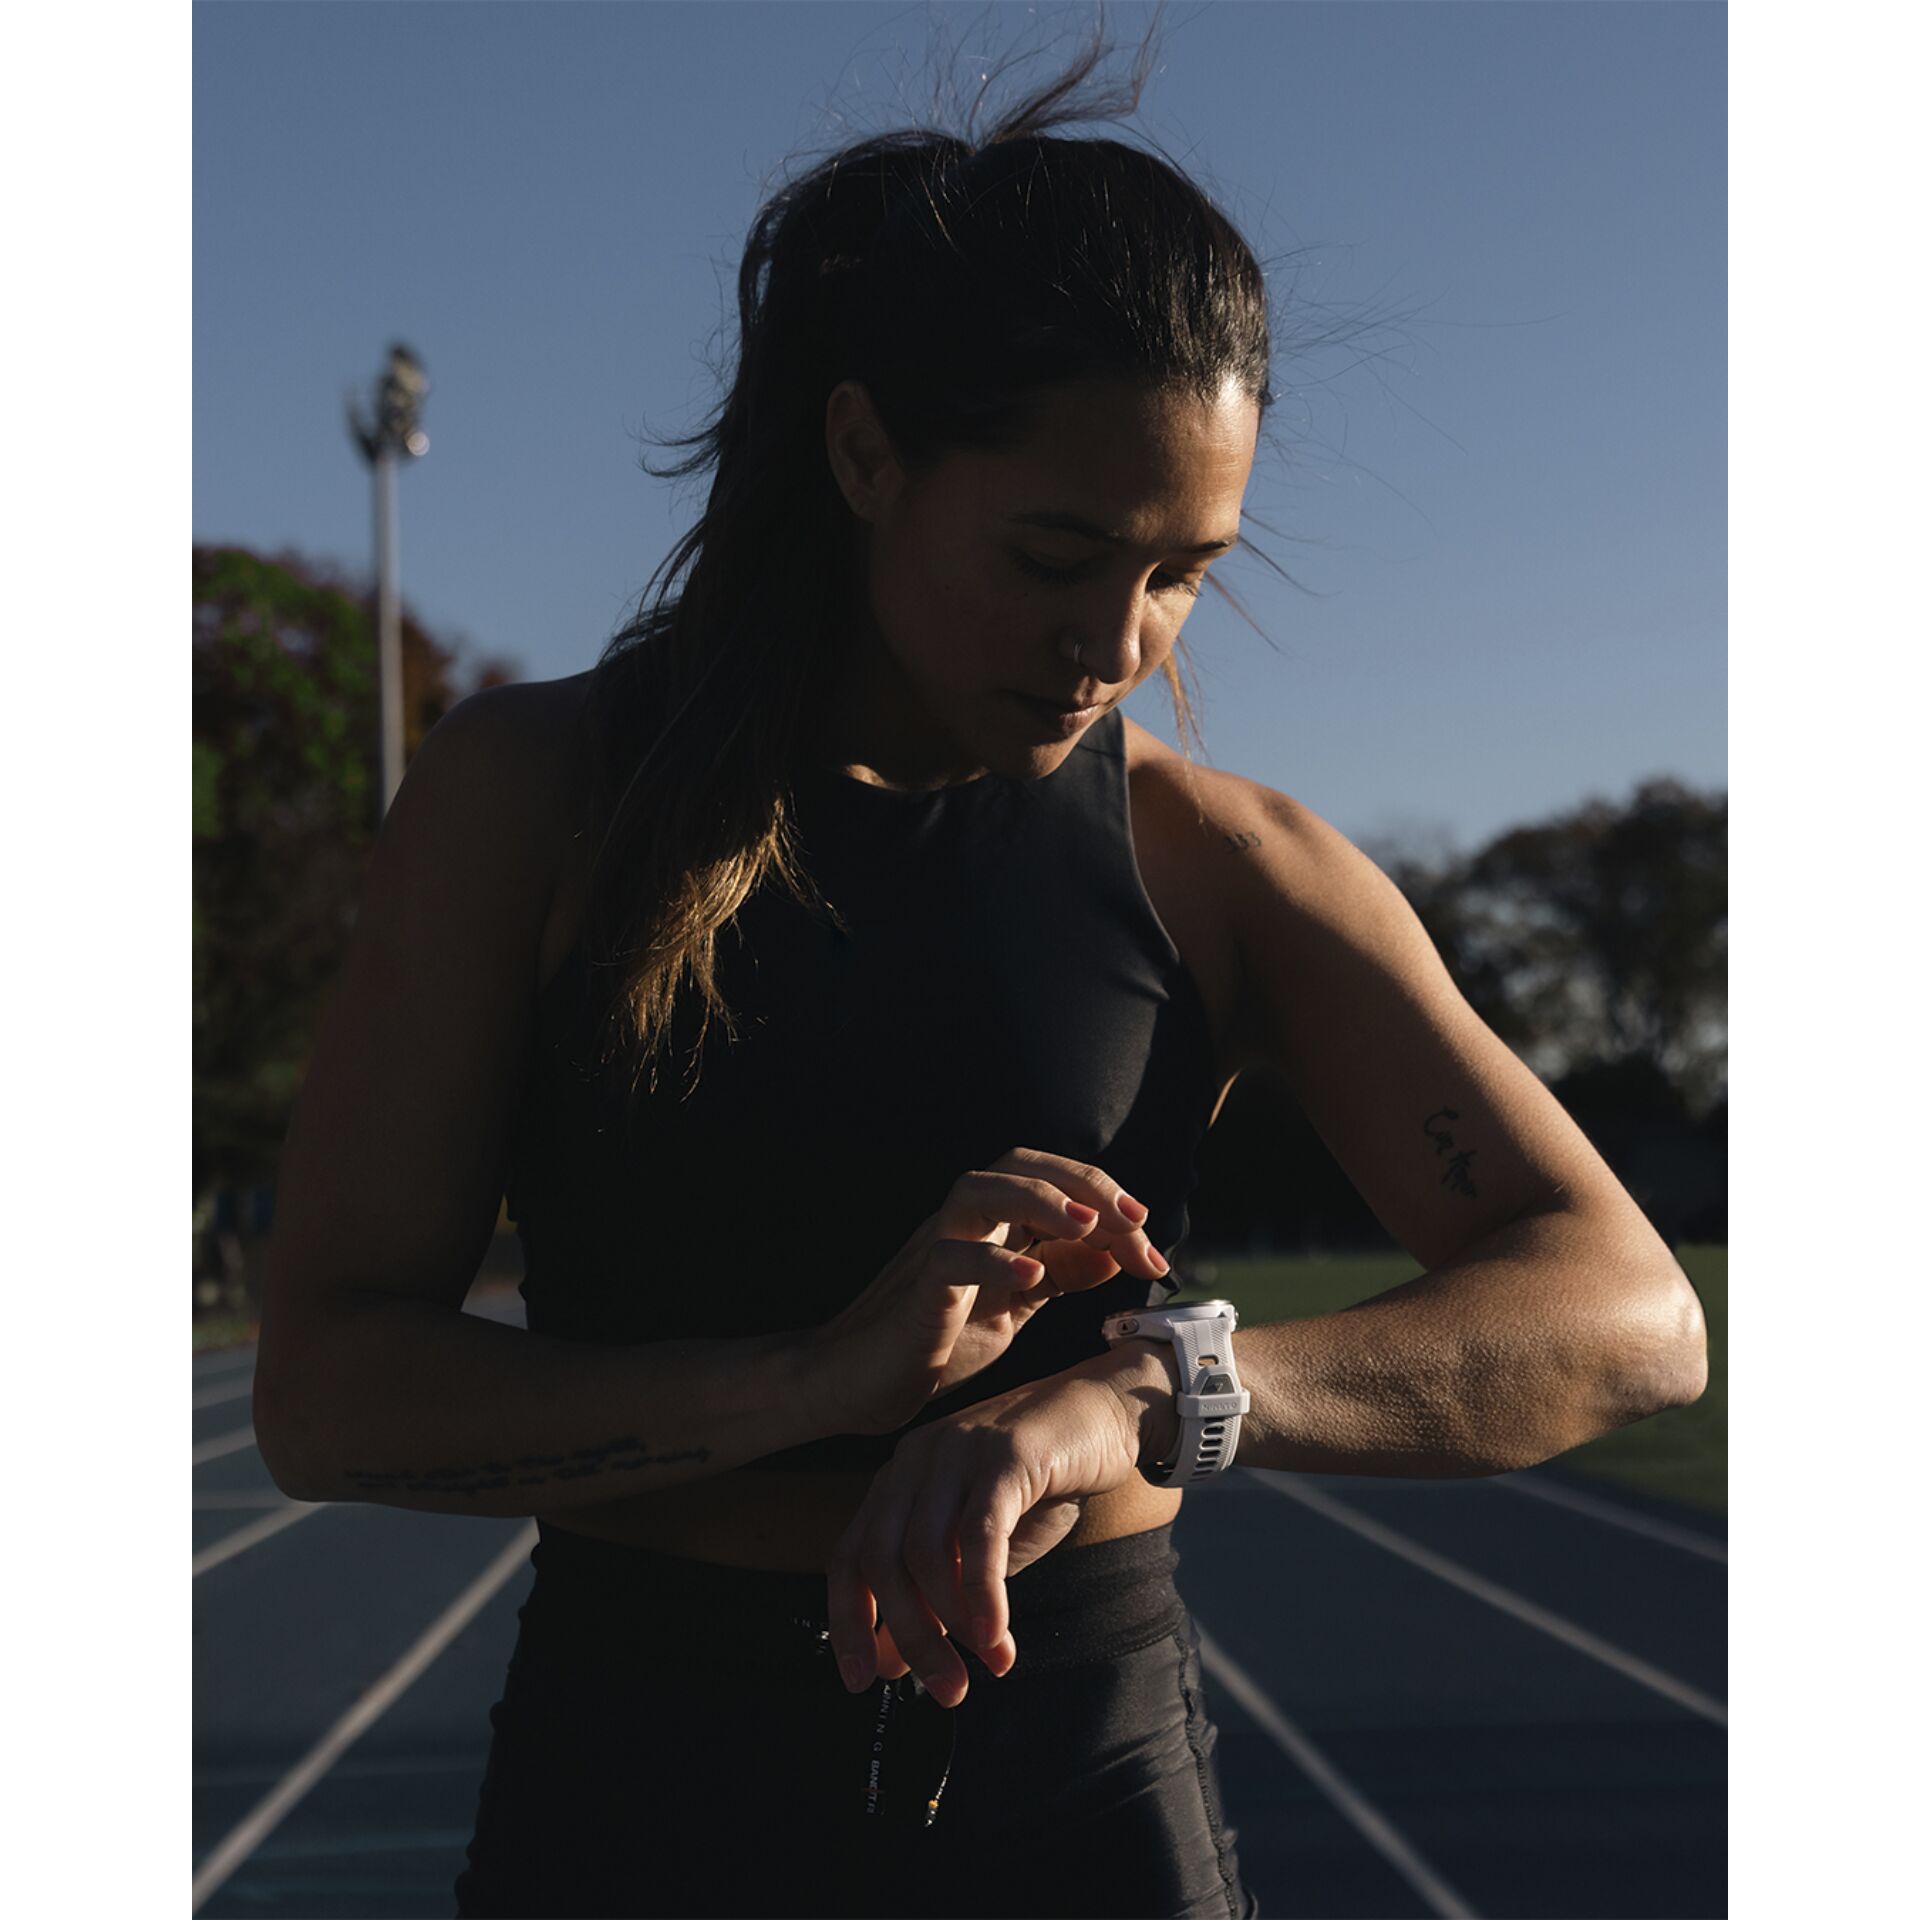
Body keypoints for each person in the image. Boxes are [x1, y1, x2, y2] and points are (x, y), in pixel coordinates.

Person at [253, 33, 1709, 1920]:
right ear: (865, 453)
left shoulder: (1219, 860)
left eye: (1184, 571)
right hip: (646, 1776)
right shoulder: (538, 798)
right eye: (1056, 553)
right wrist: (808, 1382)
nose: (1116, 640)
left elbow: (1627, 1318)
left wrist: (1134, 1401)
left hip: (1076, 1765)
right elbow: (331, 1394)